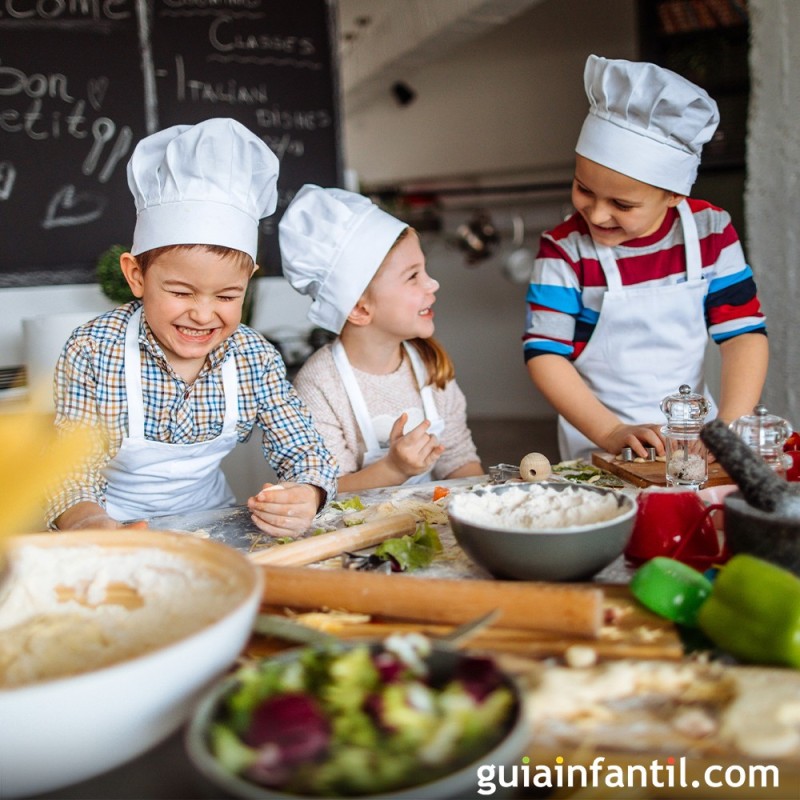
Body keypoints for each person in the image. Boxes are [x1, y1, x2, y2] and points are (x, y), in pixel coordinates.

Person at [46, 118, 337, 536]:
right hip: (107, 527)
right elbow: (67, 468)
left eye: (226, 296)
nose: (203, 315)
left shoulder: (253, 356)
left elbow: (303, 447)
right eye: (181, 293)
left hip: (212, 525)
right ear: (136, 276)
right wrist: (89, 523)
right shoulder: (94, 349)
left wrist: (307, 492)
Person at [524, 55, 768, 462]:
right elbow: (546, 353)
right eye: (584, 189)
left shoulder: (711, 232)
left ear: (674, 195)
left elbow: (743, 334)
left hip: (695, 440)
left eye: (622, 203)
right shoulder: (565, 249)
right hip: (600, 444)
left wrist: (728, 427)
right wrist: (612, 431)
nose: (598, 215)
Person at [280, 185, 483, 491]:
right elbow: (327, 489)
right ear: (360, 308)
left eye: (424, 270)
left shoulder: (430, 364)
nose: (432, 284)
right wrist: (393, 468)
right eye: (413, 276)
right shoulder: (319, 385)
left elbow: (457, 458)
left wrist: (487, 500)